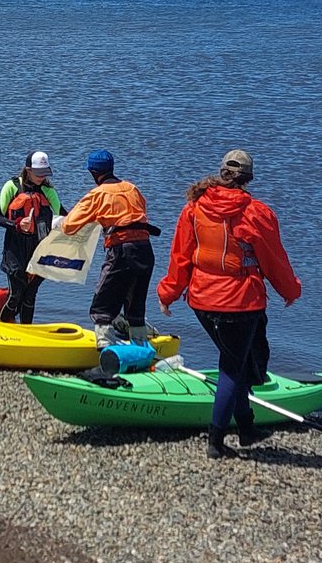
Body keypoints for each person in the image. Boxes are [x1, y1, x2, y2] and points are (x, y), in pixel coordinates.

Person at [157, 150, 301, 458]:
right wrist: (290, 291)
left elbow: (180, 257)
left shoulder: (194, 208)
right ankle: (216, 441)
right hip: (239, 303)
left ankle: (247, 428)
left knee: (238, 359)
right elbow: (274, 260)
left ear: (222, 173)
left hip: (201, 301)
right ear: (248, 179)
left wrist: (167, 294)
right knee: (233, 367)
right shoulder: (256, 212)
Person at [62, 150, 158, 349]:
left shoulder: (97, 194)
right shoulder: (132, 188)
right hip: (145, 250)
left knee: (103, 301)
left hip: (121, 250)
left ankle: (105, 349)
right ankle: (140, 346)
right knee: (136, 302)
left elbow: (69, 226)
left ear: (93, 173)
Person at [0, 151, 68, 323]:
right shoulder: (11, 187)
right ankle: (1, 326)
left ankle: (27, 331)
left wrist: (86, 219)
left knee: (30, 295)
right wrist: (17, 224)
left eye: (45, 174)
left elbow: (63, 214)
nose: (42, 177)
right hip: (16, 248)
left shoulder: (47, 191)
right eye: (38, 174)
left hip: (39, 248)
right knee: (16, 294)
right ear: (28, 170)